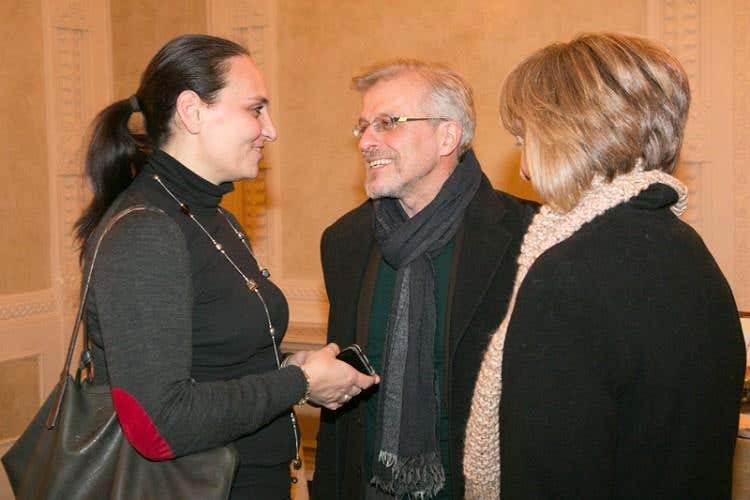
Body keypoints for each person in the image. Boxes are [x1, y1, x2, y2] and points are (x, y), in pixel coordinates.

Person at [75, 34, 378, 500]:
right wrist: (298, 382)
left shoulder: (215, 219)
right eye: (256, 109)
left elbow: (212, 362)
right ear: (192, 112)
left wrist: (287, 366)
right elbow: (163, 423)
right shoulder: (145, 231)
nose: (270, 130)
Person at [463, 32, 745, 499]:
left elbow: (546, 480)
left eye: (524, 139)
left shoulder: (565, 276)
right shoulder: (690, 251)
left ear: (564, 136)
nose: (524, 168)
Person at [312, 60, 536, 499]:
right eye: (363, 127)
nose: (366, 141)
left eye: (387, 123)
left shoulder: (526, 236)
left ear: (447, 136)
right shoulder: (344, 241)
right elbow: (340, 413)